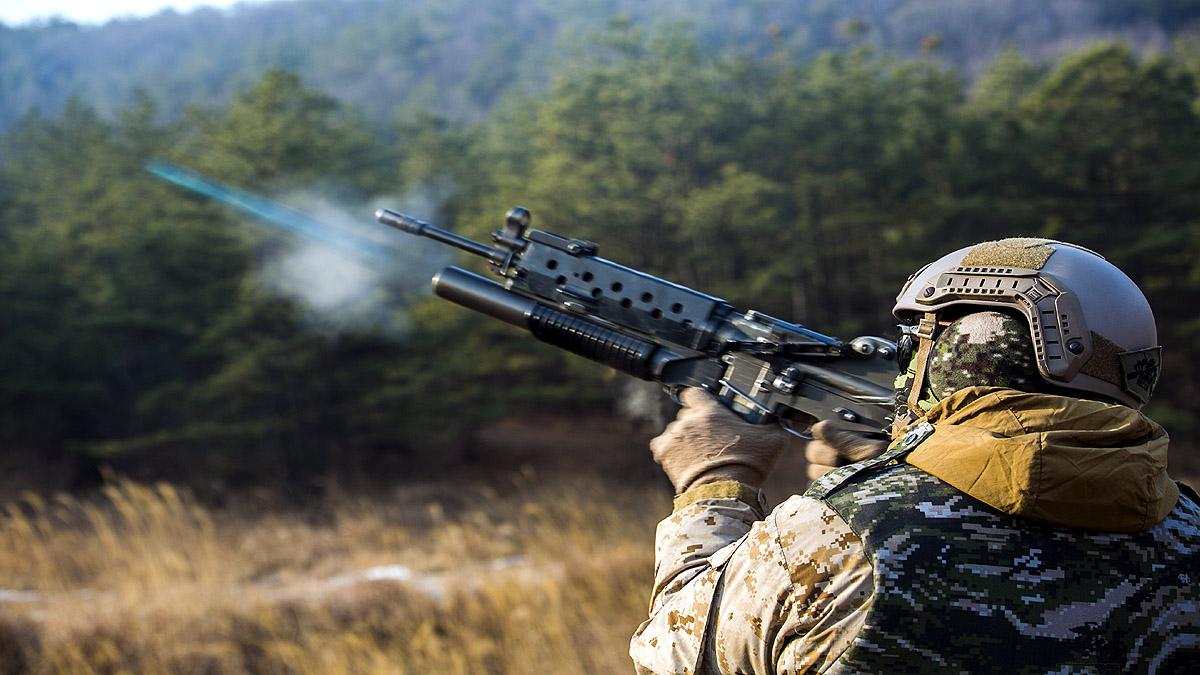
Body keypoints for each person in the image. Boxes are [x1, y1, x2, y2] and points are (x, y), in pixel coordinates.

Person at [630, 238, 1200, 674]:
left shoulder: (836, 537)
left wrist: (716, 478)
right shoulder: (1190, 537)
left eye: (917, 343)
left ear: (958, 352)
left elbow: (672, 656)